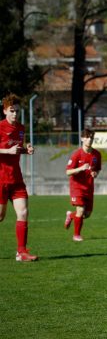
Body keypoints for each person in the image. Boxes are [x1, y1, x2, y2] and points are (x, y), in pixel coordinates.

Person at [0, 94, 38, 262]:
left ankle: (21, 252)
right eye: (12, 111)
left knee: (23, 212)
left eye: (17, 111)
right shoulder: (0, 127)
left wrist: (26, 150)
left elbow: (18, 148)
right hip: (1, 179)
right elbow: (9, 150)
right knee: (0, 216)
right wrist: (7, 151)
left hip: (16, 179)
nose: (15, 114)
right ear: (4, 111)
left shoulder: (21, 128)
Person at [64, 128, 102, 242]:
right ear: (82, 138)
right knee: (80, 211)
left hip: (89, 187)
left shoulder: (96, 154)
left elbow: (98, 169)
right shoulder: (76, 154)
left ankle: (71, 215)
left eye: (91, 137)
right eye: (87, 137)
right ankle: (76, 235)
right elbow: (68, 172)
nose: (89, 139)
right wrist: (81, 168)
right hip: (77, 187)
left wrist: (95, 173)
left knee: (87, 214)